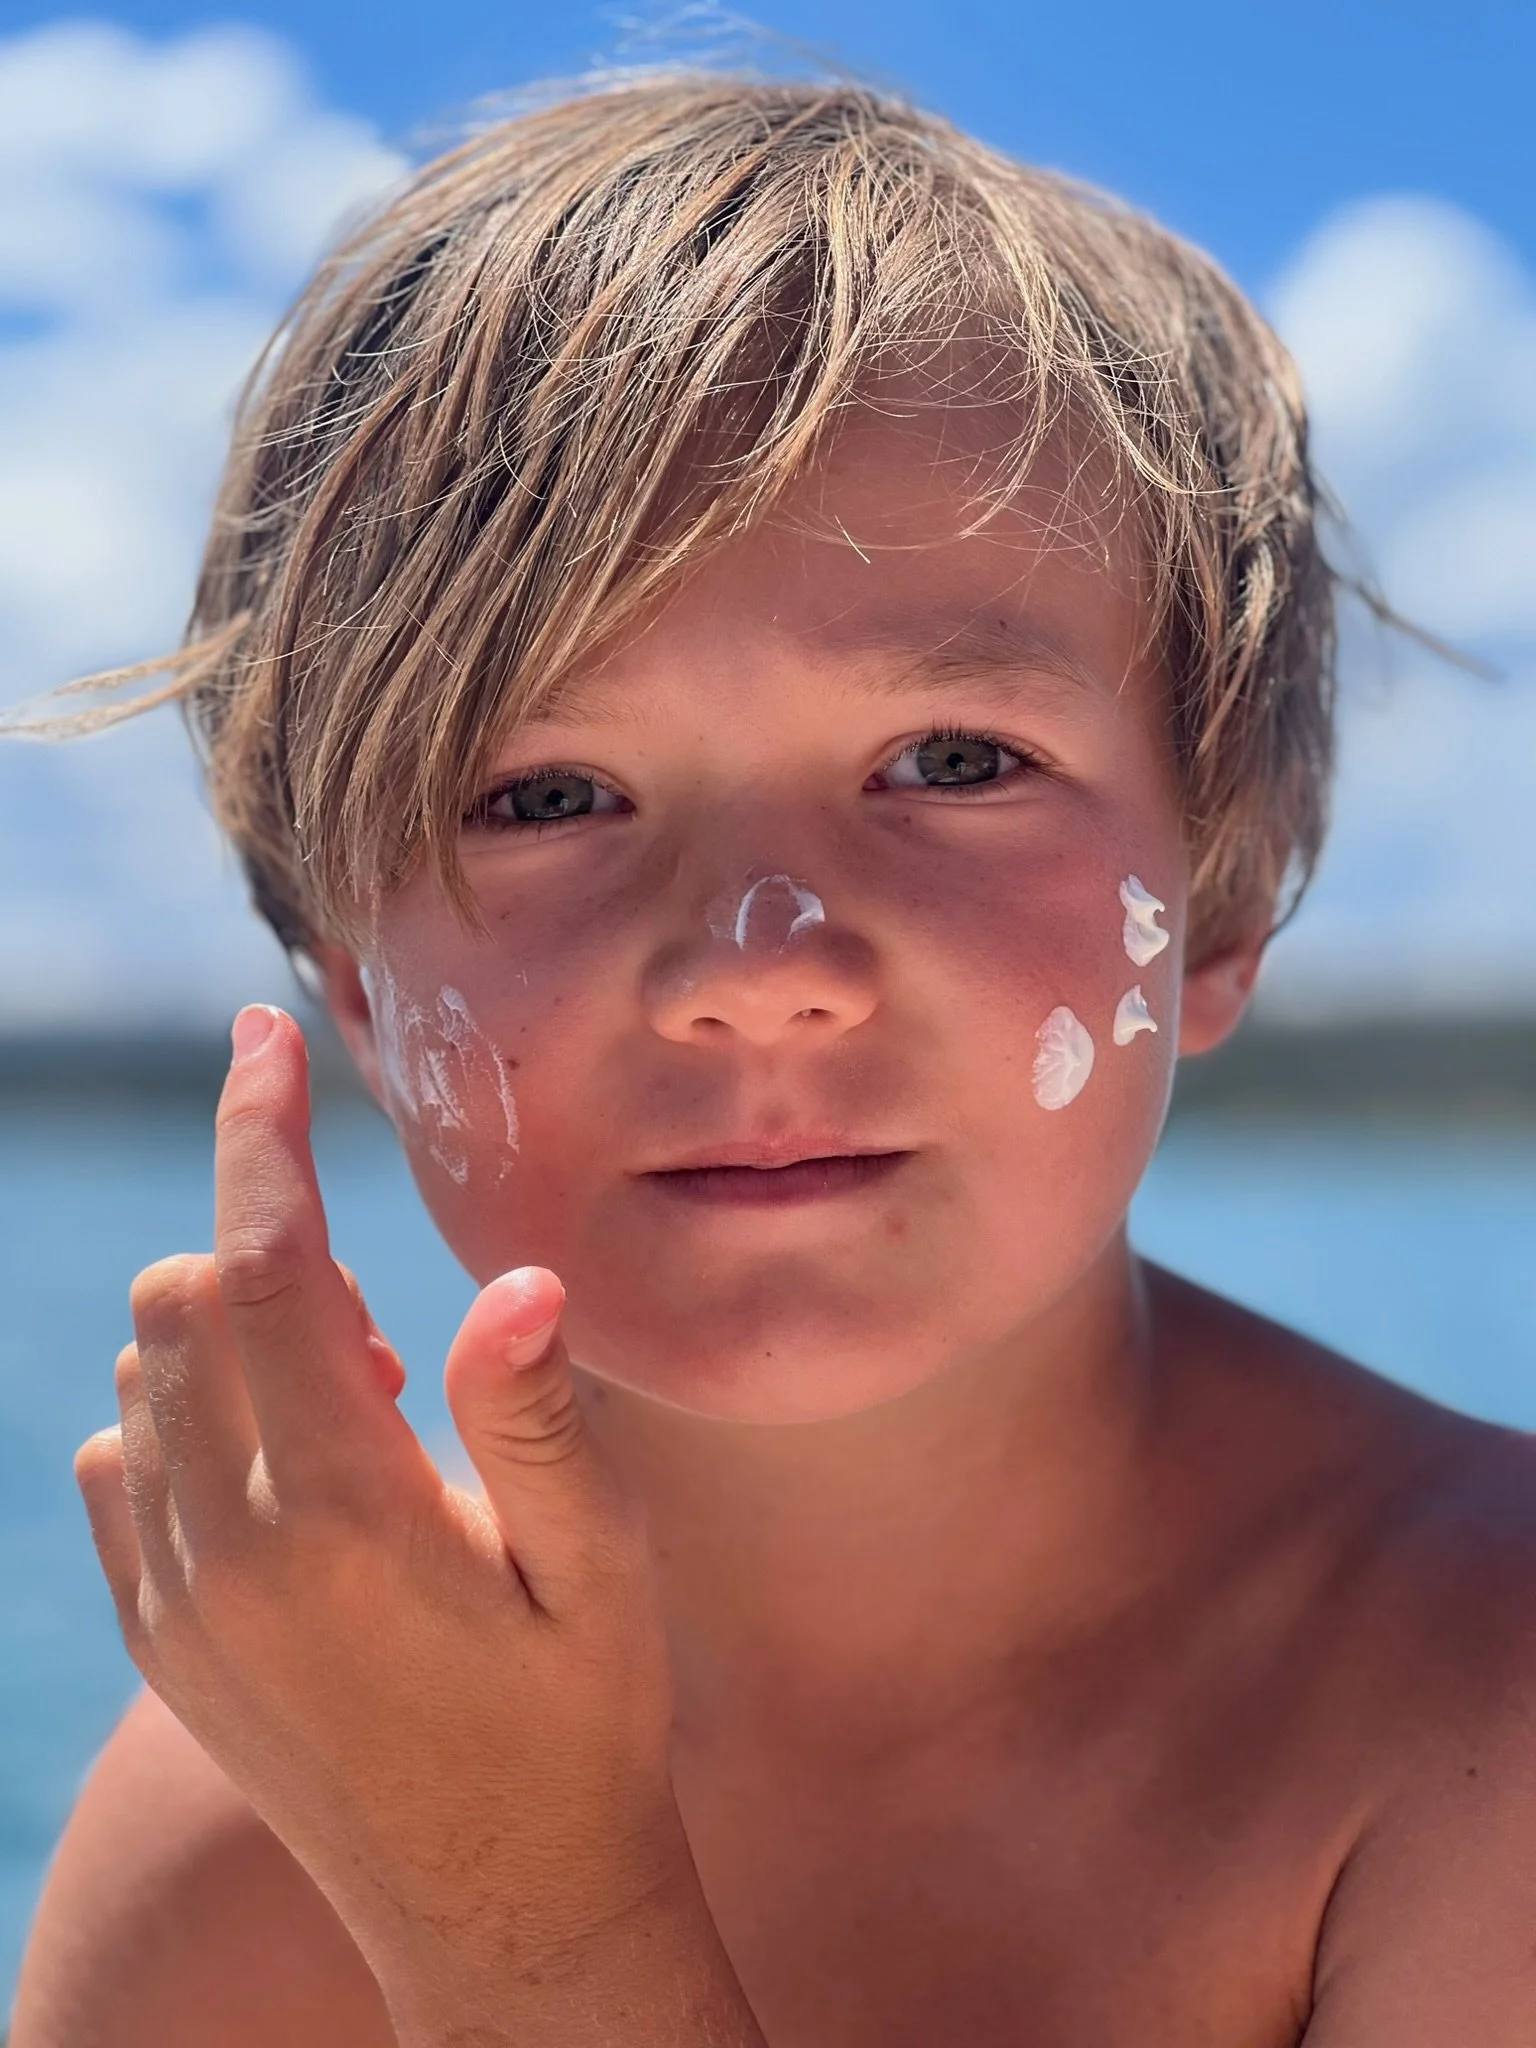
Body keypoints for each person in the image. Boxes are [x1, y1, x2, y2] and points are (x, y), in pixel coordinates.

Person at [11, 72, 1536, 2048]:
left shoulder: (1470, 1699)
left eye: (956, 762)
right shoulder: (247, 1817)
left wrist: (520, 1927)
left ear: (1224, 901)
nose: (762, 969)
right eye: (547, 791)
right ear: (353, 986)